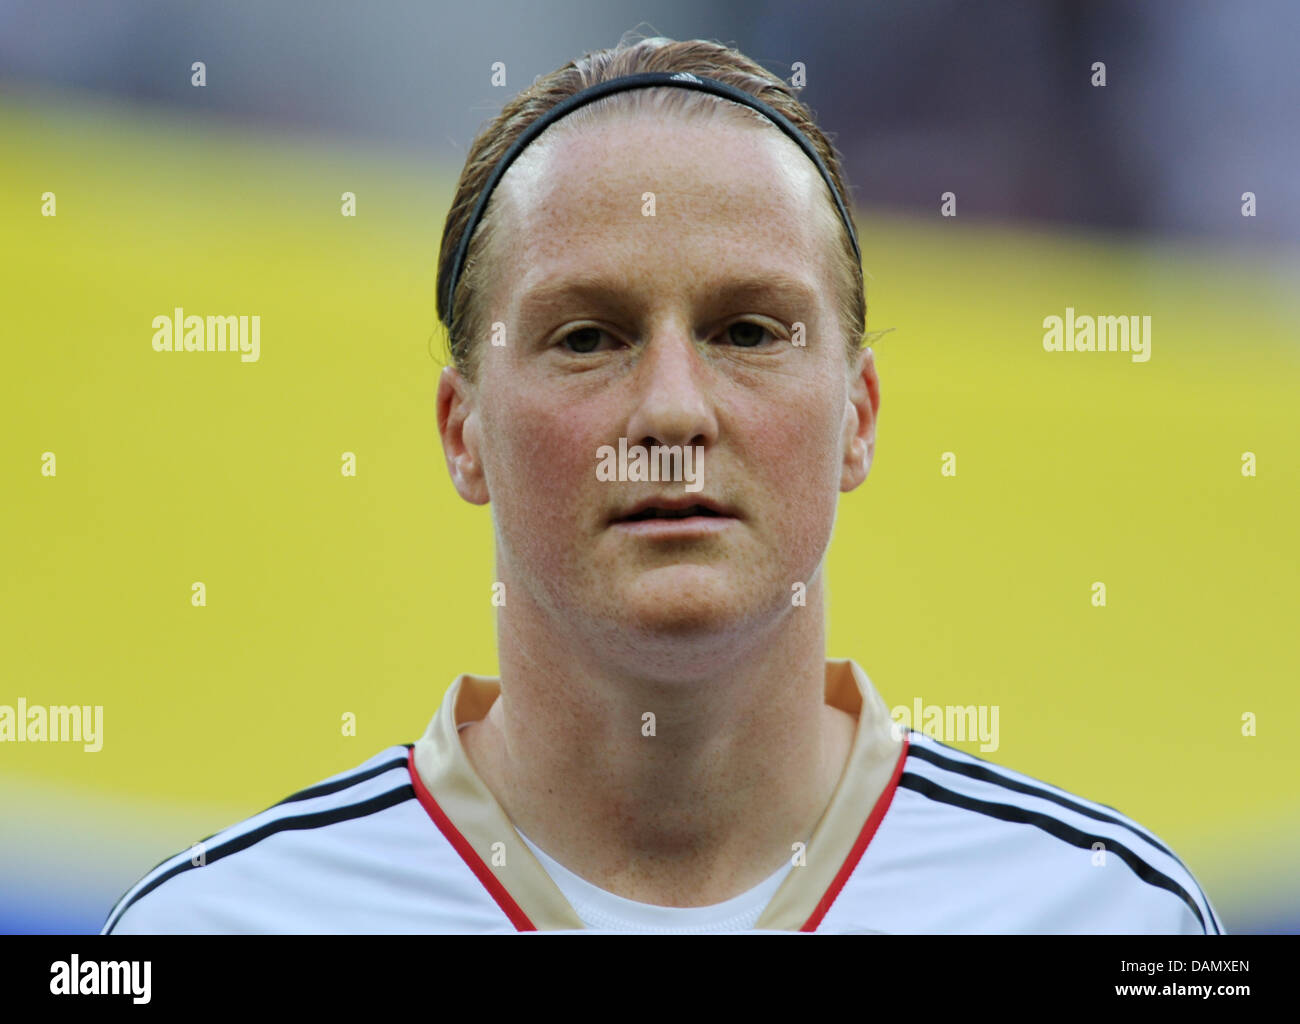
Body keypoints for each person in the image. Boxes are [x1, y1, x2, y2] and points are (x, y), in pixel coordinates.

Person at [102, 35, 1222, 935]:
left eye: (747, 329)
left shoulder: (1113, 918)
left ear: (859, 416)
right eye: (588, 337)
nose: (673, 411)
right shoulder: (212, 926)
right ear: (463, 432)